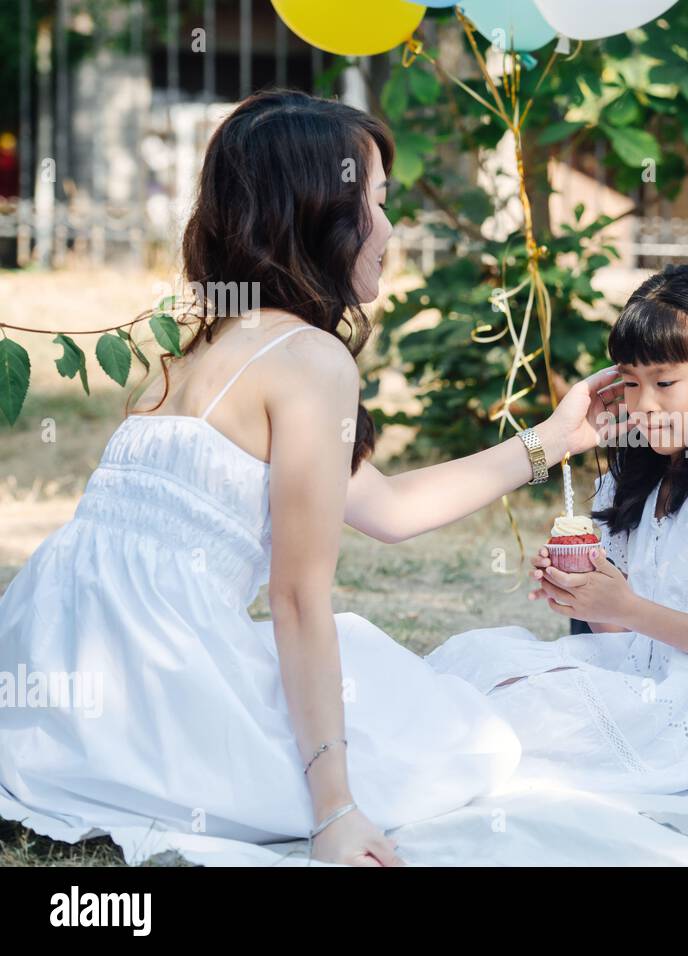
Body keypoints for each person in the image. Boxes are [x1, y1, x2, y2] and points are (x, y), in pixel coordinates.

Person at [0, 90, 622, 867]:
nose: (392, 230)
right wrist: (335, 812)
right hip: (147, 690)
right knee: (458, 736)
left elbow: (388, 506)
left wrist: (554, 439)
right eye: (378, 202)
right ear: (321, 210)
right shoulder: (307, 361)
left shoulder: (199, 346)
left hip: (46, 674)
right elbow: (298, 600)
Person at [431, 266, 688, 793]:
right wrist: (585, 597)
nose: (644, 405)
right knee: (480, 659)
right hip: (636, 677)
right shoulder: (635, 480)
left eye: (665, 382)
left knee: (511, 712)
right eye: (630, 383)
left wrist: (626, 606)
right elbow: (623, 640)